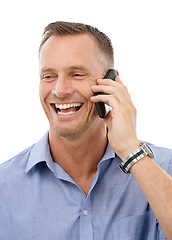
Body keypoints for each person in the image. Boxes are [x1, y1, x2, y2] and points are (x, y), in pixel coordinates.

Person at [0, 21, 172, 240]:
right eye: (48, 76)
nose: (59, 90)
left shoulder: (163, 169)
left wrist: (131, 149)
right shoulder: (4, 188)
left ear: (111, 82)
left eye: (77, 74)